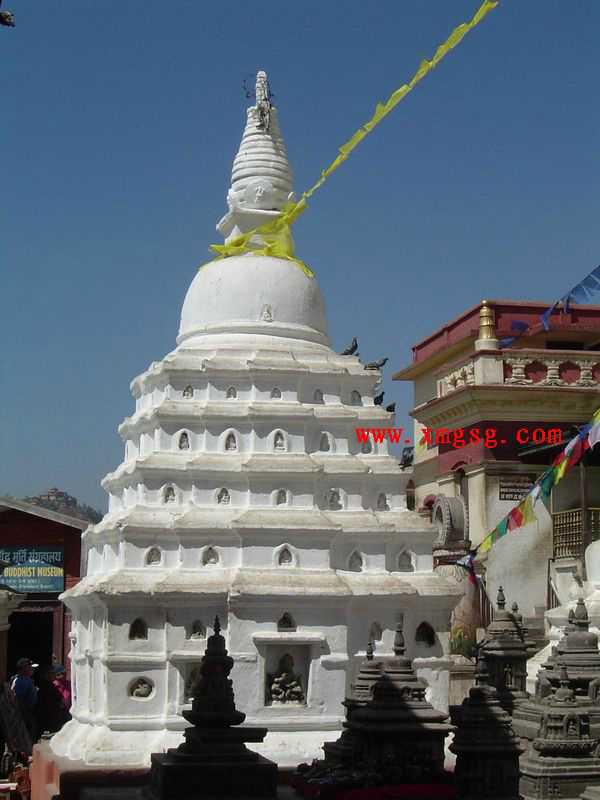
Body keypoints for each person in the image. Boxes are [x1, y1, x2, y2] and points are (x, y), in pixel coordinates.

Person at [34, 665, 69, 737]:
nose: (54, 675)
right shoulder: (48, 685)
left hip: (58, 712)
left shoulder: (50, 684)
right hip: (50, 713)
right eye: (52, 673)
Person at [10, 658, 38, 741]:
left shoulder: (26, 679)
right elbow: (18, 698)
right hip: (23, 712)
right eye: (30, 667)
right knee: (25, 735)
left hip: (27, 711)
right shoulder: (21, 680)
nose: (32, 669)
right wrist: (24, 714)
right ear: (23, 668)